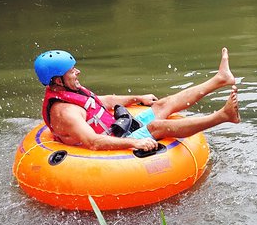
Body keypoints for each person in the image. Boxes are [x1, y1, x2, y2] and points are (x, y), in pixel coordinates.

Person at [34, 48, 240, 151]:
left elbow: (101, 101)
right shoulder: (65, 113)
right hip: (113, 142)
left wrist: (137, 98)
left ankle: (220, 79)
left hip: (117, 128)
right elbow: (93, 142)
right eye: (71, 71)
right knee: (157, 127)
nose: (77, 72)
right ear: (57, 80)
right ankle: (223, 116)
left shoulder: (71, 90)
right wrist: (137, 142)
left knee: (162, 104)